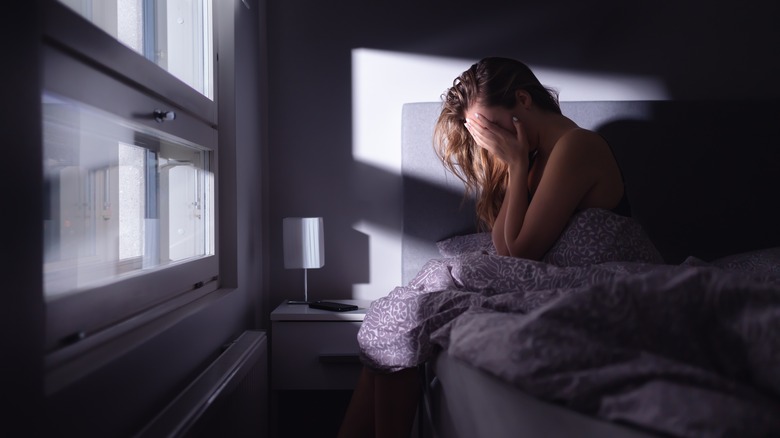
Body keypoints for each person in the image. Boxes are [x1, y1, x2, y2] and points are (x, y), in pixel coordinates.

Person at [337, 57, 629, 438]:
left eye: (491, 127)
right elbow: (504, 247)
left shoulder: (577, 146)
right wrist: (517, 166)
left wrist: (517, 165)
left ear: (523, 100)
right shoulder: (536, 159)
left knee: (414, 312)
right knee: (401, 325)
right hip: (554, 281)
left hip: (603, 281)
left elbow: (518, 254)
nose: (493, 142)